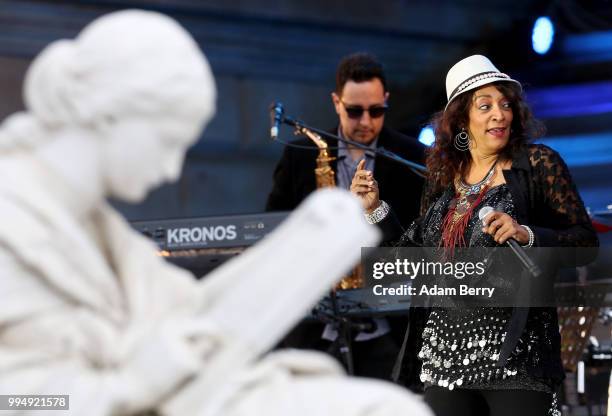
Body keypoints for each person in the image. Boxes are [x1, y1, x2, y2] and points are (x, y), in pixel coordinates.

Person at [0, 10, 435, 416]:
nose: (171, 168)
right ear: (115, 114)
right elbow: (24, 401)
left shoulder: (100, 231)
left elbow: (190, 320)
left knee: (382, 405)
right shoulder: (13, 220)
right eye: (168, 141)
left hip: (355, 330)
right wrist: (133, 382)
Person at [351, 55, 599, 415]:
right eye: (485, 106)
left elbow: (584, 243)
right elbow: (411, 259)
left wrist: (527, 234)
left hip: (515, 357)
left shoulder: (538, 164)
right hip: (444, 361)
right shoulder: (442, 176)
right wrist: (374, 208)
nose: (499, 114)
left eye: (505, 104)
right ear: (462, 120)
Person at [266, 52, 426, 380]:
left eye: (376, 110)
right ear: (336, 102)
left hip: (390, 325)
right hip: (318, 323)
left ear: (386, 101)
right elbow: (274, 227)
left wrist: (377, 212)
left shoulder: (413, 156)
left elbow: (420, 240)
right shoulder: (300, 154)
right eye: (354, 111)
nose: (366, 121)